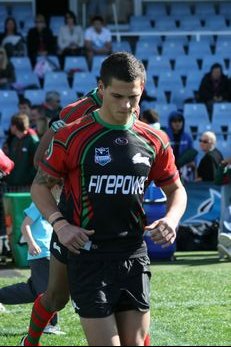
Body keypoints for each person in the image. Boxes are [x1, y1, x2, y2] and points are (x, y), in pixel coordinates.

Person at [25, 52, 187, 346]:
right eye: (117, 96)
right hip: (82, 244)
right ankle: (30, 341)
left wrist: (172, 218)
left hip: (132, 251)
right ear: (100, 89)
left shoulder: (154, 139)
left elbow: (177, 188)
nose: (126, 106)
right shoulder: (73, 127)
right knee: (56, 297)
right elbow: (39, 179)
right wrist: (59, 223)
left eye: (133, 98)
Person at [0, 191, 64, 334]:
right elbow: (24, 226)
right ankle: (49, 325)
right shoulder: (38, 204)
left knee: (32, 290)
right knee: (49, 290)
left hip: (49, 252)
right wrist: (31, 243)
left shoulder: (56, 205)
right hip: (41, 253)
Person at [4, 113, 39, 192]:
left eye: (11, 125)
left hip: (26, 185)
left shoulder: (32, 140)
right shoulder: (14, 140)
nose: (10, 127)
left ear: (15, 126)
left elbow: (37, 162)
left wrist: (30, 177)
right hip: (12, 184)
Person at [165, 110, 197, 182]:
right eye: (174, 121)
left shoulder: (187, 137)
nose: (177, 123)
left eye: (180, 121)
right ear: (170, 122)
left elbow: (192, 153)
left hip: (183, 171)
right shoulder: (165, 136)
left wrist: (193, 163)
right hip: (168, 169)